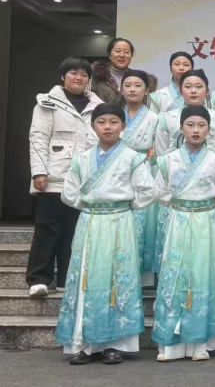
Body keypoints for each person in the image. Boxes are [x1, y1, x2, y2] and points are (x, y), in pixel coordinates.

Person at [56, 104, 156, 365]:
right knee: (86, 278)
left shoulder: (133, 158)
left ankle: (115, 344)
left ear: (123, 126)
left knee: (117, 277)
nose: (108, 127)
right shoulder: (81, 159)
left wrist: (126, 206)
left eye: (114, 122)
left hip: (119, 221)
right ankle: (82, 343)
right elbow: (68, 192)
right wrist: (89, 205)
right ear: (93, 127)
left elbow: (148, 191)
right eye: (102, 122)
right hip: (90, 221)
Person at [152, 106, 215, 362]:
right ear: (181, 128)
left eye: (201, 125)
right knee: (174, 273)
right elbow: (160, 192)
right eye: (190, 125)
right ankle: (171, 344)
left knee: (202, 274)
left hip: (206, 221)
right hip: (178, 219)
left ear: (209, 129)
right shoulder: (168, 160)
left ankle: (200, 342)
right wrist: (181, 204)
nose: (196, 130)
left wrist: (202, 204)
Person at [27, 57, 104, 297]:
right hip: (53, 176)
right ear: (63, 77)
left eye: (84, 74)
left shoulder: (98, 105)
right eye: (73, 73)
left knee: (74, 230)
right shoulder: (46, 102)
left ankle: (65, 279)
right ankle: (39, 279)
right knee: (47, 228)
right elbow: (38, 138)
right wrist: (39, 171)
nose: (79, 77)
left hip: (84, 179)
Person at [153, 70, 215, 272]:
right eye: (188, 86)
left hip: (207, 184)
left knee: (204, 256)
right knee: (176, 252)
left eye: (199, 87)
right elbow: (161, 150)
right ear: (180, 89)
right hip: (176, 191)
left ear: (207, 91)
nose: (193, 91)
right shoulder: (167, 117)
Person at [118, 70, 159, 275]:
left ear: (147, 90)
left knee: (143, 220)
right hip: (117, 170)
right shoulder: (114, 116)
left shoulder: (154, 118)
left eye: (137, 85)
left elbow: (159, 150)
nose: (132, 89)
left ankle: (142, 275)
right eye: (128, 85)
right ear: (121, 89)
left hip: (143, 167)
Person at [90, 38, 134, 103]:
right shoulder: (96, 75)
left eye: (127, 52)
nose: (122, 55)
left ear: (131, 56)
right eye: (118, 51)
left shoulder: (137, 78)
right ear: (109, 55)